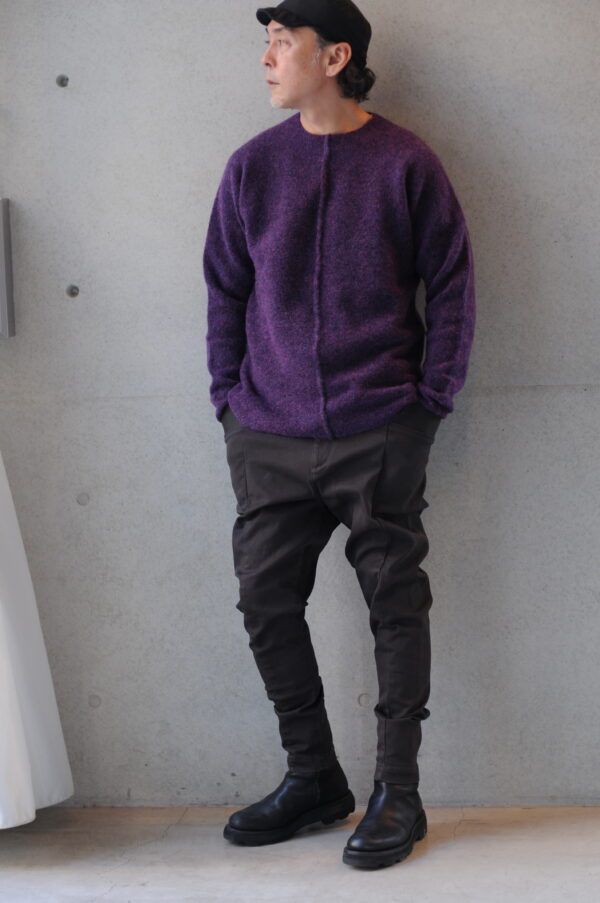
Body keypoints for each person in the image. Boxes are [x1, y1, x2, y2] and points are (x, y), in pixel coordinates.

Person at [203, 0, 475, 870]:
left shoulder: (406, 162)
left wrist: (428, 401)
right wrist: (229, 401)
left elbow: (452, 283)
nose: (267, 58)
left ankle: (400, 790)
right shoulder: (252, 167)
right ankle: (314, 776)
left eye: (283, 43)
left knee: (395, 604)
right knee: (263, 599)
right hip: (267, 429)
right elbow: (224, 289)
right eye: (267, 43)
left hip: (379, 425)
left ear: (334, 57)